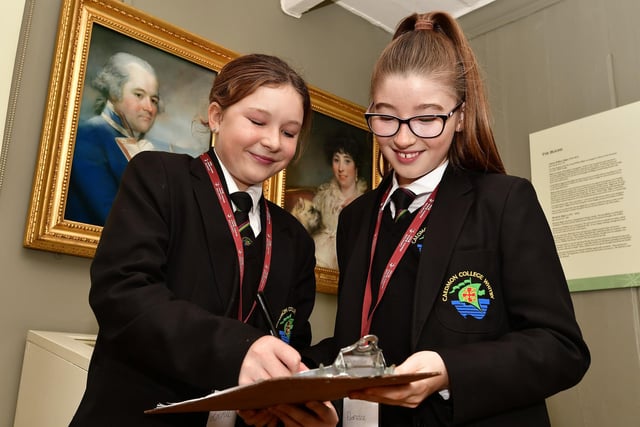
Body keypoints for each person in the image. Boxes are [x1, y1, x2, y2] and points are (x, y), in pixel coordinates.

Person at [304, 11, 590, 426]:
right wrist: (299, 369)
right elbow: (359, 338)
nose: (403, 138)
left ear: (459, 116)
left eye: (426, 117)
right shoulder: (355, 218)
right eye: (386, 116)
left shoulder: (504, 201)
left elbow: (562, 348)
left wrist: (450, 371)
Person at [69, 53, 337, 427]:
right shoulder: (158, 176)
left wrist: (296, 394)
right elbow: (123, 293)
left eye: (289, 132)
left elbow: (290, 336)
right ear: (216, 116)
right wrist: (238, 352)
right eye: (257, 121)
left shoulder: (295, 239)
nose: (273, 141)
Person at [66, 52, 161, 226]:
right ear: (113, 92)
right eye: (139, 95)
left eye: (154, 100)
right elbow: (114, 219)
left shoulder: (141, 146)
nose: (149, 107)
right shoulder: (87, 136)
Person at [311, 132, 368, 270]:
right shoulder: (323, 197)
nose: (341, 168)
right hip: (320, 254)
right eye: (336, 160)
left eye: (347, 161)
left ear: (356, 166)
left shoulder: (366, 203)